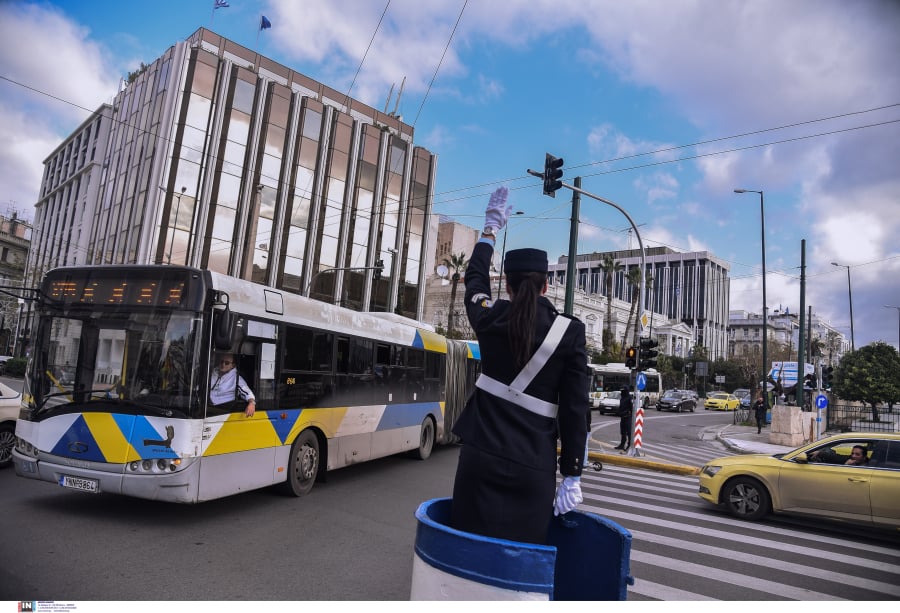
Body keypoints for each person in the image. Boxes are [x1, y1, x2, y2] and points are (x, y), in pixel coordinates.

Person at [449, 186, 589, 545]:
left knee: (468, 550)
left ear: (507, 287)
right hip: (533, 466)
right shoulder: (569, 332)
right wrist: (572, 473)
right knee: (522, 560)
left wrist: (490, 231)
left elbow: (475, 281)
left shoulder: (491, 318)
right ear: (546, 286)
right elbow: (575, 410)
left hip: (480, 457)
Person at [210, 352, 256, 416]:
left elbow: (247, 392)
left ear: (233, 366)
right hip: (207, 408)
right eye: (221, 362)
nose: (223, 364)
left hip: (223, 410)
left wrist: (252, 403)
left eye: (227, 363)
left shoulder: (236, 379)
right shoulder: (212, 373)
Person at [615, 385, 633, 451]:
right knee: (622, 432)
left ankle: (629, 445)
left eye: (623, 391)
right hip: (622, 417)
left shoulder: (629, 398)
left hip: (628, 417)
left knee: (629, 432)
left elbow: (632, 408)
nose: (622, 392)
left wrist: (628, 413)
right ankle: (622, 445)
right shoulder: (622, 398)